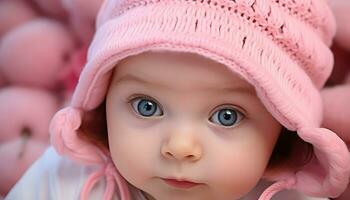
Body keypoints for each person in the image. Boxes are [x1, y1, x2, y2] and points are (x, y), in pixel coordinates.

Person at [5, 0, 350, 199]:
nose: (180, 147)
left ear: (285, 128)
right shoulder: (65, 179)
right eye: (147, 106)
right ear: (102, 100)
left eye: (227, 115)